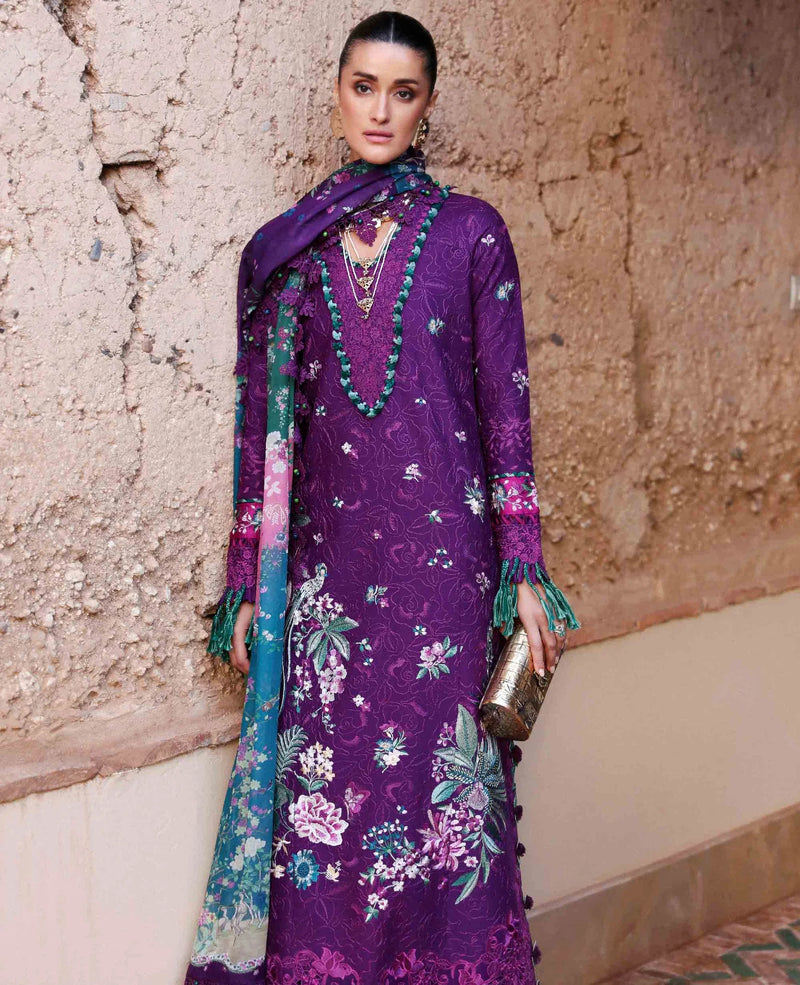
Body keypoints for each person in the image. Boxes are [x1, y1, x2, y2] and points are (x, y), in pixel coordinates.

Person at [184, 11, 580, 985]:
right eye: (363, 86)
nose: (379, 110)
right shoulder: (287, 252)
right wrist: (247, 582)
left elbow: (506, 411)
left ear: (426, 106)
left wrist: (523, 570)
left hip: (446, 585)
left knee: (445, 803)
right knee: (325, 808)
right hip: (327, 590)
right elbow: (262, 429)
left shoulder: (473, 235)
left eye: (402, 93)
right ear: (337, 94)